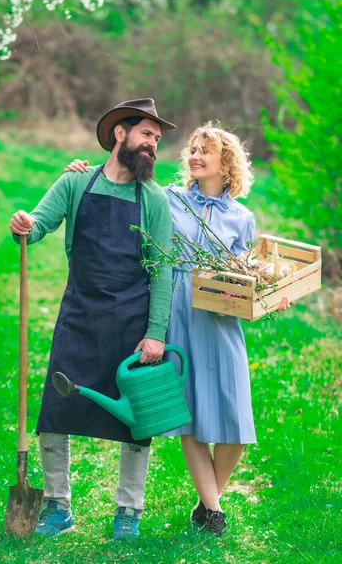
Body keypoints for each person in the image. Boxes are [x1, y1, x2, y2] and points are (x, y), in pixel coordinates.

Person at [65, 121, 291, 538]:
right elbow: (119, 181)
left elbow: (248, 273)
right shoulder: (167, 199)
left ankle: (207, 503)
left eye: (206, 151)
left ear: (227, 163)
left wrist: (274, 292)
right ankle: (214, 512)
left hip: (220, 320)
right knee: (190, 418)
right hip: (177, 316)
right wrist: (81, 171)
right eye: (193, 149)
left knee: (236, 426)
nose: (195, 155)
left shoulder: (242, 217)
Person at [9, 98, 175, 539]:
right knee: (55, 411)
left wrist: (156, 333)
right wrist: (24, 223)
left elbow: (162, 271)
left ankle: (128, 511)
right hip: (80, 315)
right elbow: (37, 224)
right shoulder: (76, 183)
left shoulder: (155, 200)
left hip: (132, 322)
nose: (152, 146)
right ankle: (58, 505)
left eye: (157, 140)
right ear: (119, 133)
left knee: (136, 424)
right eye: (146, 135)